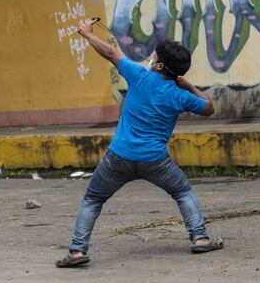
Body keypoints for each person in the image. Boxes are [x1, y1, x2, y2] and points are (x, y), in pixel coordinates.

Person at [56, 21, 223, 267]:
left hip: (118, 157)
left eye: (154, 55)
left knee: (92, 199)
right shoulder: (180, 95)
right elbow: (208, 107)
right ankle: (199, 238)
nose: (151, 57)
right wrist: (187, 85)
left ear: (158, 64)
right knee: (182, 192)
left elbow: (111, 53)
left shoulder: (139, 76)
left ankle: (78, 252)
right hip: (155, 160)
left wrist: (87, 34)